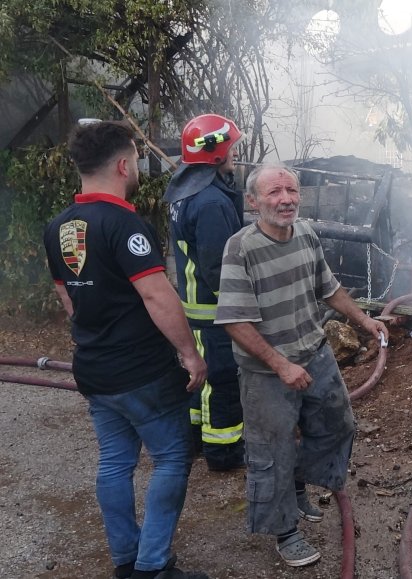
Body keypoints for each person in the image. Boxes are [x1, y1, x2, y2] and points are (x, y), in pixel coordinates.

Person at [42, 119, 210, 579]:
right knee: (173, 457)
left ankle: (125, 561)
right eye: (135, 160)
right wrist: (191, 354)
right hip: (143, 373)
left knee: (116, 461)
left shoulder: (58, 227)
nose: (136, 168)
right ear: (122, 164)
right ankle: (153, 565)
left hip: (94, 369)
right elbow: (158, 295)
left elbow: (69, 301)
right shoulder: (124, 223)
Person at [214, 163, 388, 567]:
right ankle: (285, 531)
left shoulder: (306, 233)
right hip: (266, 371)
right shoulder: (241, 248)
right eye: (274, 192)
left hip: (314, 351)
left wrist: (364, 320)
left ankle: (296, 486)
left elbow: (328, 288)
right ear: (253, 201)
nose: (285, 199)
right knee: (271, 451)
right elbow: (235, 322)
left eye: (291, 190)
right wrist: (280, 365)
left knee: (338, 424)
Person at [165, 114, 246, 471]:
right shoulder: (211, 203)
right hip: (214, 312)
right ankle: (224, 452)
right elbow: (219, 268)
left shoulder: (185, 192)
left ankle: (195, 439)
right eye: (231, 148)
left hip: (194, 310)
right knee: (222, 381)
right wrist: (241, 309)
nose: (235, 155)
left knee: (200, 382)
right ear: (214, 153)